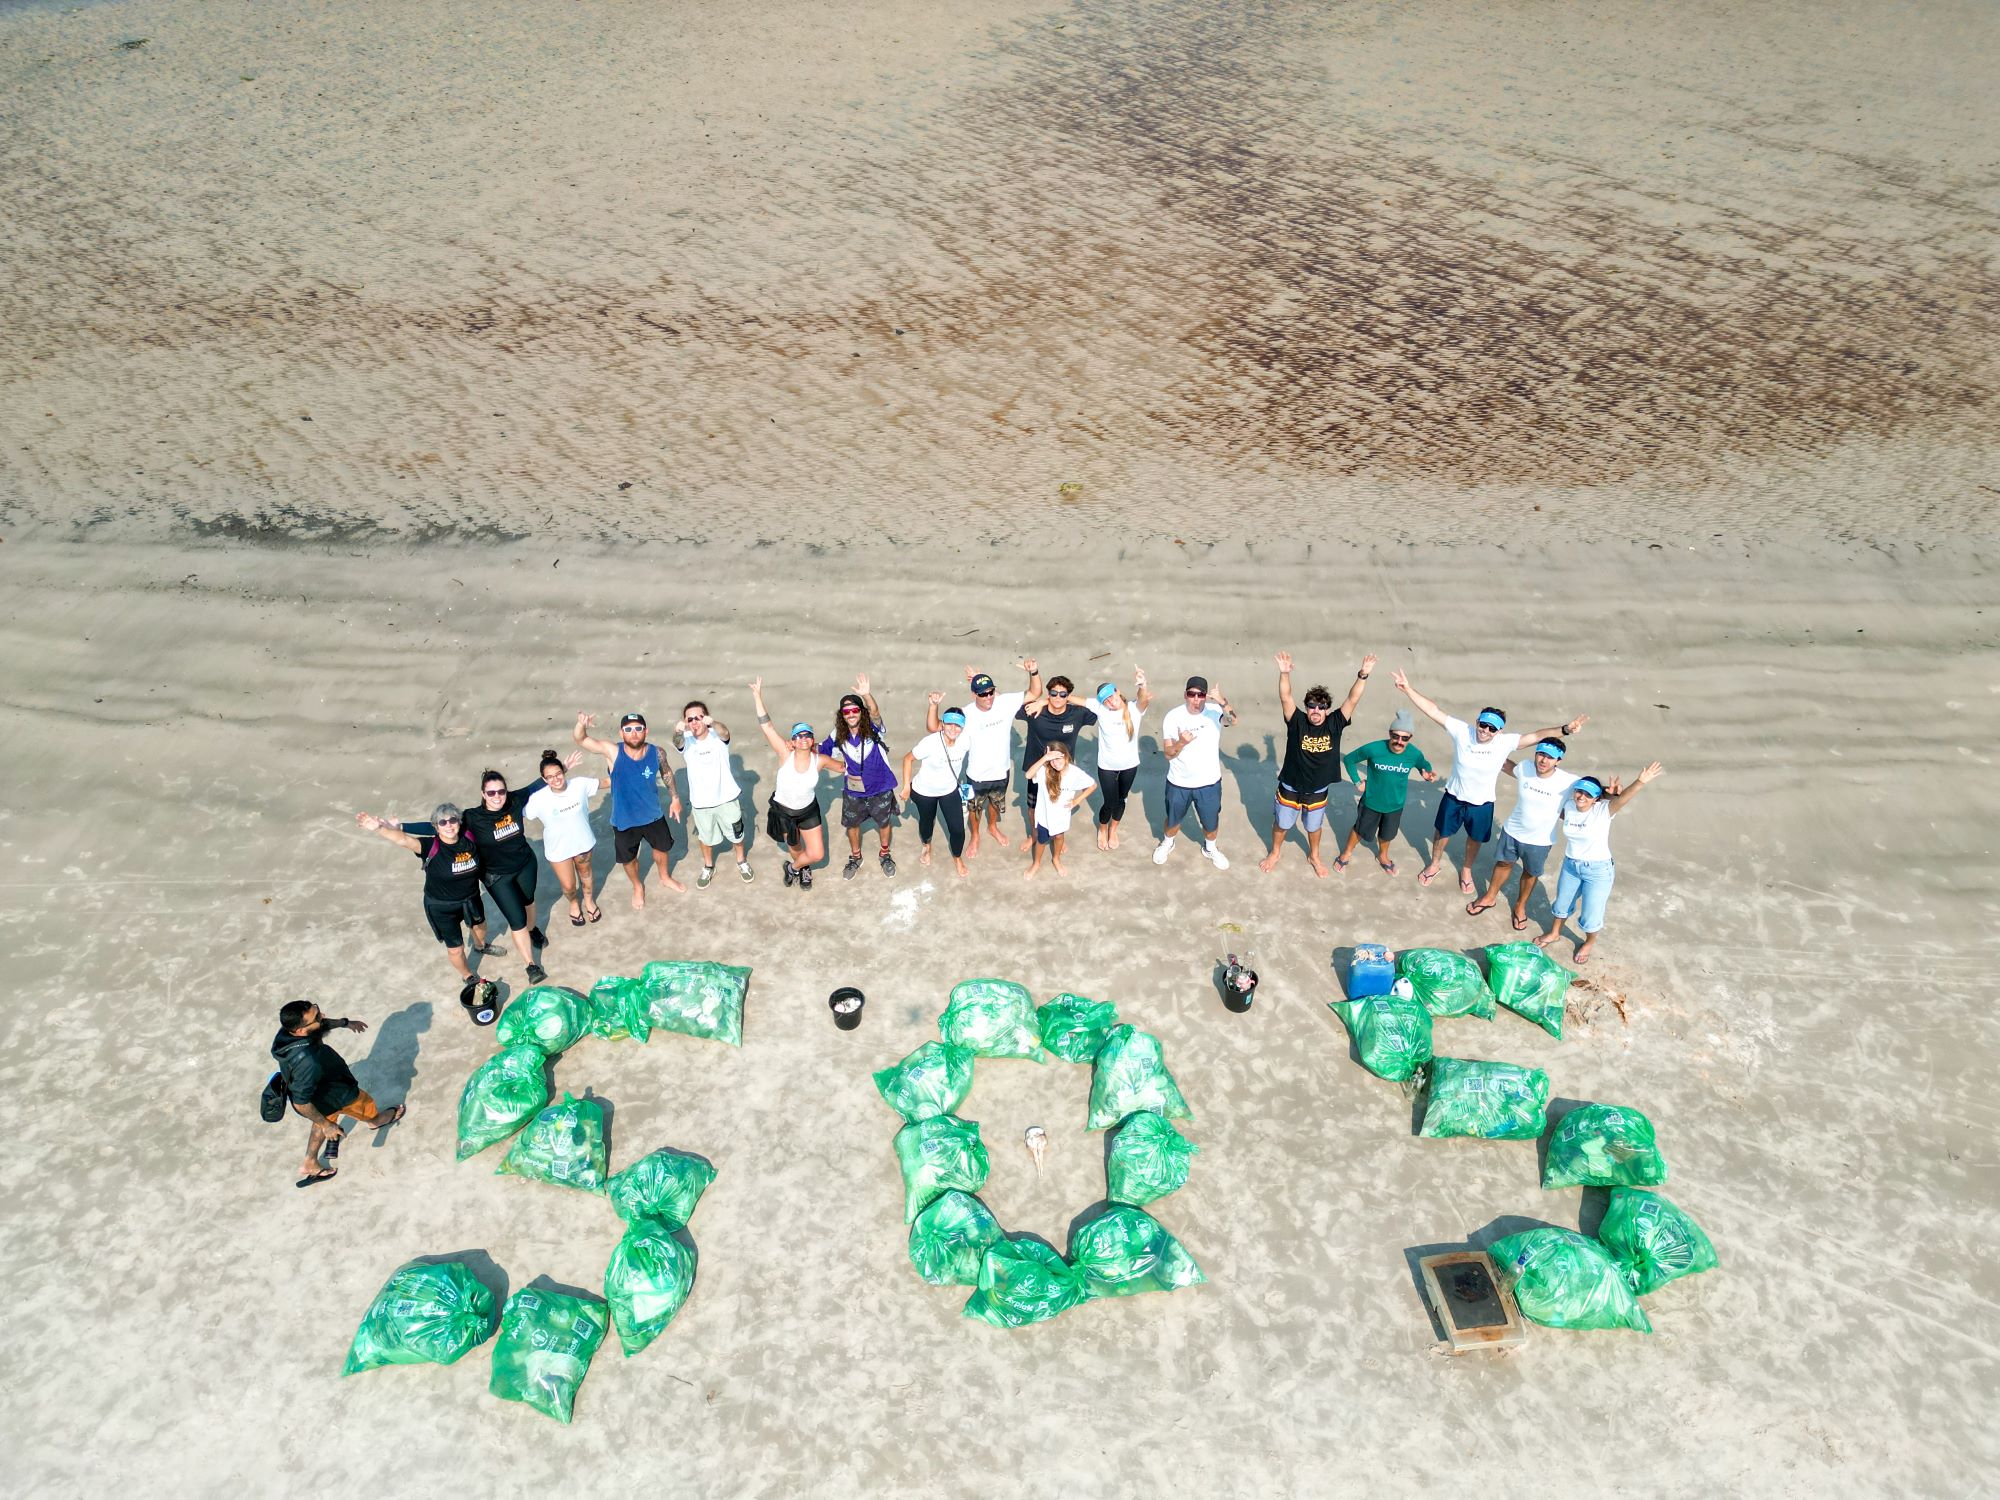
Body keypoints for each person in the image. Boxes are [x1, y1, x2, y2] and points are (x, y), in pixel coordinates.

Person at [1391, 671, 1586, 894]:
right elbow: (1433, 710)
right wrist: (1407, 688)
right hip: (1453, 797)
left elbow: (1536, 736)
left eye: (1492, 728)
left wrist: (1564, 730)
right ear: (1477, 722)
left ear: (1499, 730)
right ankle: (1434, 864)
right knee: (1441, 834)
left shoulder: (1505, 742)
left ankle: (1466, 870)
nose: (1486, 731)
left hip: (1482, 803)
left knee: (1475, 840)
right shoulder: (1462, 731)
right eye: (1483, 725)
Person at [354, 803, 519, 1005]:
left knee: (480, 926)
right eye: (442, 822)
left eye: (453, 820)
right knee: (455, 949)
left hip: (470, 897)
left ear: (459, 822)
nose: (448, 825)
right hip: (442, 907)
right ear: (436, 826)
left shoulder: (469, 838)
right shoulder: (429, 847)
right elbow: (403, 839)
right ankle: (467, 975)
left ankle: (480, 946)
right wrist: (380, 828)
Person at [459, 757, 582, 980]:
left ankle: (533, 929)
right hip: (497, 877)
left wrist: (562, 767)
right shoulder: (472, 817)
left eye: (501, 791)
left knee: (529, 902)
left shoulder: (515, 800)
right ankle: (531, 966)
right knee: (517, 921)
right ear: (483, 794)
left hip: (525, 865)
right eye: (491, 793)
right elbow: (440, 826)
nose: (497, 797)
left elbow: (537, 785)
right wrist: (399, 828)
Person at [1259, 650, 1377, 876]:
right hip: (1291, 785)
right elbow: (1285, 697)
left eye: (1321, 707)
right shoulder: (1297, 721)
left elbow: (1353, 699)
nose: (1316, 710)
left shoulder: (1335, 723)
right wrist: (1284, 674)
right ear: (1306, 707)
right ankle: (1275, 852)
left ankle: (1314, 855)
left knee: (1313, 826)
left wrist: (1363, 675)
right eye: (1312, 705)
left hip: (1318, 788)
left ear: (1328, 710)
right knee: (1282, 824)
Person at [1537, 763, 1664, 963]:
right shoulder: (1569, 807)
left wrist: (1640, 781)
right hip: (1571, 866)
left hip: (1597, 871)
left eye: (1588, 794)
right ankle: (1554, 933)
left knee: (1591, 914)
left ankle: (1589, 942)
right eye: (1579, 791)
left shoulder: (1603, 811)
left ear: (1596, 798)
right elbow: (1549, 799)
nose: (1581, 797)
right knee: (1561, 904)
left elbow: (1622, 799)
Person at [271, 999, 402, 1187]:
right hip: (335, 1094)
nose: (322, 1016)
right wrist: (326, 1125)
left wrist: (345, 1023)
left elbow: (320, 1024)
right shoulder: (308, 1061)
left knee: (321, 1121)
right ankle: (376, 1121)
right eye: (317, 1017)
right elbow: (301, 1102)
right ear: (300, 1031)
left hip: (319, 1094)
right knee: (362, 1104)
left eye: (318, 1011)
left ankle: (310, 1162)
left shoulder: (288, 1034)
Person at [930, 660, 1042, 859]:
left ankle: (992, 827)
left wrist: (1034, 672)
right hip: (976, 774)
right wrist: (933, 706)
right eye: (983, 694)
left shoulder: (1005, 703)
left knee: (995, 804)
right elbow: (935, 727)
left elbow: (1034, 693)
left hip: (1001, 770)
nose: (988, 697)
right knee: (975, 808)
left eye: (991, 692)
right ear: (974, 694)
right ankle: (975, 835)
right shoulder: (966, 713)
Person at [573, 710, 685, 908]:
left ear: (646, 731)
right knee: (630, 860)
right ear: (621, 732)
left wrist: (675, 798)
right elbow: (582, 740)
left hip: (653, 816)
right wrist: (581, 725)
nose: (634, 733)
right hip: (624, 820)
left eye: (638, 729)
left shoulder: (657, 752)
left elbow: (666, 772)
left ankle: (665, 877)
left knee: (662, 850)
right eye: (629, 729)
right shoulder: (613, 752)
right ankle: (637, 886)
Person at [1468, 738, 1580, 930]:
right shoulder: (1525, 767)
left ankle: (1520, 905)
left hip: (1540, 841)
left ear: (1558, 761)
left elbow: (1595, 792)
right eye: (1541, 754)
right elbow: (1505, 764)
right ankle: (1490, 896)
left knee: (1530, 872)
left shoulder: (1568, 781)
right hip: (1512, 831)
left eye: (1550, 758)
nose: (1543, 760)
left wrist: (1612, 794)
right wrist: (1486, 747)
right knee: (1503, 863)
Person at [749, 678, 842, 889]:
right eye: (798, 735)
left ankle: (793, 868)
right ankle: (802, 867)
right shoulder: (784, 752)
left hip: (808, 811)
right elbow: (767, 726)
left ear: (812, 739)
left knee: (817, 854)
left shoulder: (820, 760)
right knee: (795, 845)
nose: (802, 738)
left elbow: (845, 768)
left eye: (807, 735)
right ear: (792, 739)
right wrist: (757, 696)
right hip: (783, 812)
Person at [1336, 709, 1437, 874]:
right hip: (1371, 802)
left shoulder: (1414, 754)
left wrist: (1426, 772)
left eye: (1404, 738)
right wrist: (1357, 781)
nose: (1399, 741)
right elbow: (1349, 760)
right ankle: (1346, 853)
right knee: (1360, 830)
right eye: (1395, 736)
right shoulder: (1375, 748)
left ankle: (1383, 856)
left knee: (1387, 834)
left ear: (1410, 738)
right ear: (1390, 733)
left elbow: (1423, 765)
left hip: (1395, 805)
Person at [1153, 676, 1236, 869]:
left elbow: (1233, 720)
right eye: (1192, 694)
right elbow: (1168, 754)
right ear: (1185, 695)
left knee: (1210, 824)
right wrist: (1181, 742)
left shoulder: (1215, 711)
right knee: (1172, 822)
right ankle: (1167, 843)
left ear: (1206, 696)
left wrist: (1222, 701)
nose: (1196, 699)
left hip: (1209, 783)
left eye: (1201, 695)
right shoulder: (1173, 717)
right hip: (1178, 783)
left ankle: (1210, 849)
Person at [821, 675, 899, 879]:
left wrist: (866, 695)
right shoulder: (838, 733)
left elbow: (875, 712)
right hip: (854, 790)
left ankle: (885, 853)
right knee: (852, 825)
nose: (851, 714)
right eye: (846, 711)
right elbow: (821, 750)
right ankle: (856, 857)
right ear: (842, 715)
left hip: (880, 786)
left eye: (855, 709)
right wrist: (798, 744)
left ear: (860, 711)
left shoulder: (872, 728)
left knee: (883, 822)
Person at [673, 699, 753, 888]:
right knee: (706, 838)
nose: (694, 722)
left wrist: (713, 723)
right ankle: (708, 866)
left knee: (737, 835)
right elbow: (676, 742)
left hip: (726, 798)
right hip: (701, 803)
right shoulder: (686, 740)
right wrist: (677, 731)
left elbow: (725, 732)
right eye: (690, 719)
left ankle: (742, 861)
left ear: (706, 717)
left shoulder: (717, 736)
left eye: (698, 717)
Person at [522, 749, 603, 927]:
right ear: (544, 780)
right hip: (558, 850)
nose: (555, 779)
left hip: (583, 843)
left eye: (558, 774)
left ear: (564, 772)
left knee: (586, 875)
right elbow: (519, 812)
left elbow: (605, 782)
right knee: (568, 886)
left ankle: (589, 901)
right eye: (549, 777)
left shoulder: (580, 784)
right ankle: (574, 904)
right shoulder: (537, 799)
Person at [902, 697, 973, 876]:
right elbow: (907, 759)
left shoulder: (966, 740)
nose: (953, 729)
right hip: (924, 791)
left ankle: (957, 857)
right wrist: (906, 786)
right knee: (926, 823)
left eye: (958, 726)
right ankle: (927, 846)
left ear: (963, 727)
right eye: (949, 724)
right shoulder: (930, 742)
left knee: (957, 829)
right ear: (943, 724)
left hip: (949, 791)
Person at [1015, 673, 1090, 834]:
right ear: (1048, 693)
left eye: (1063, 694)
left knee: (1061, 806)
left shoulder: (1078, 714)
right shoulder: (1035, 711)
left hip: (1063, 770)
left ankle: (1058, 836)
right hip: (1037, 768)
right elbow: (1004, 704)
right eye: (1053, 693)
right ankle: (1034, 836)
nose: (1058, 697)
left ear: (1068, 696)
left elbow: (1102, 707)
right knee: (1033, 807)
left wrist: (1046, 700)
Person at [1086, 670, 1151, 850]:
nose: (1109, 701)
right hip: (1106, 766)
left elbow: (1143, 699)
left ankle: (1113, 829)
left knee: (1121, 799)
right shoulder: (1100, 708)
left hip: (1129, 766)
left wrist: (1142, 685)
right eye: (1104, 700)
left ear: (1117, 691)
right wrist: (1047, 700)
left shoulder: (1133, 709)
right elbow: (1072, 699)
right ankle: (1103, 827)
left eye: (1111, 695)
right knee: (1109, 802)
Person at [1023, 742, 1097, 878]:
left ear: (1066, 757)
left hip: (1061, 817)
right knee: (1041, 840)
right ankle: (1036, 863)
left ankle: (1056, 858)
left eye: (1058, 759)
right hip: (1044, 816)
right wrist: (1045, 759)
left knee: (1059, 837)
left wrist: (1077, 801)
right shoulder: (1045, 771)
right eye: (1052, 760)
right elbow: (1028, 775)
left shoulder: (1075, 773)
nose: (1055, 763)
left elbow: (1092, 785)